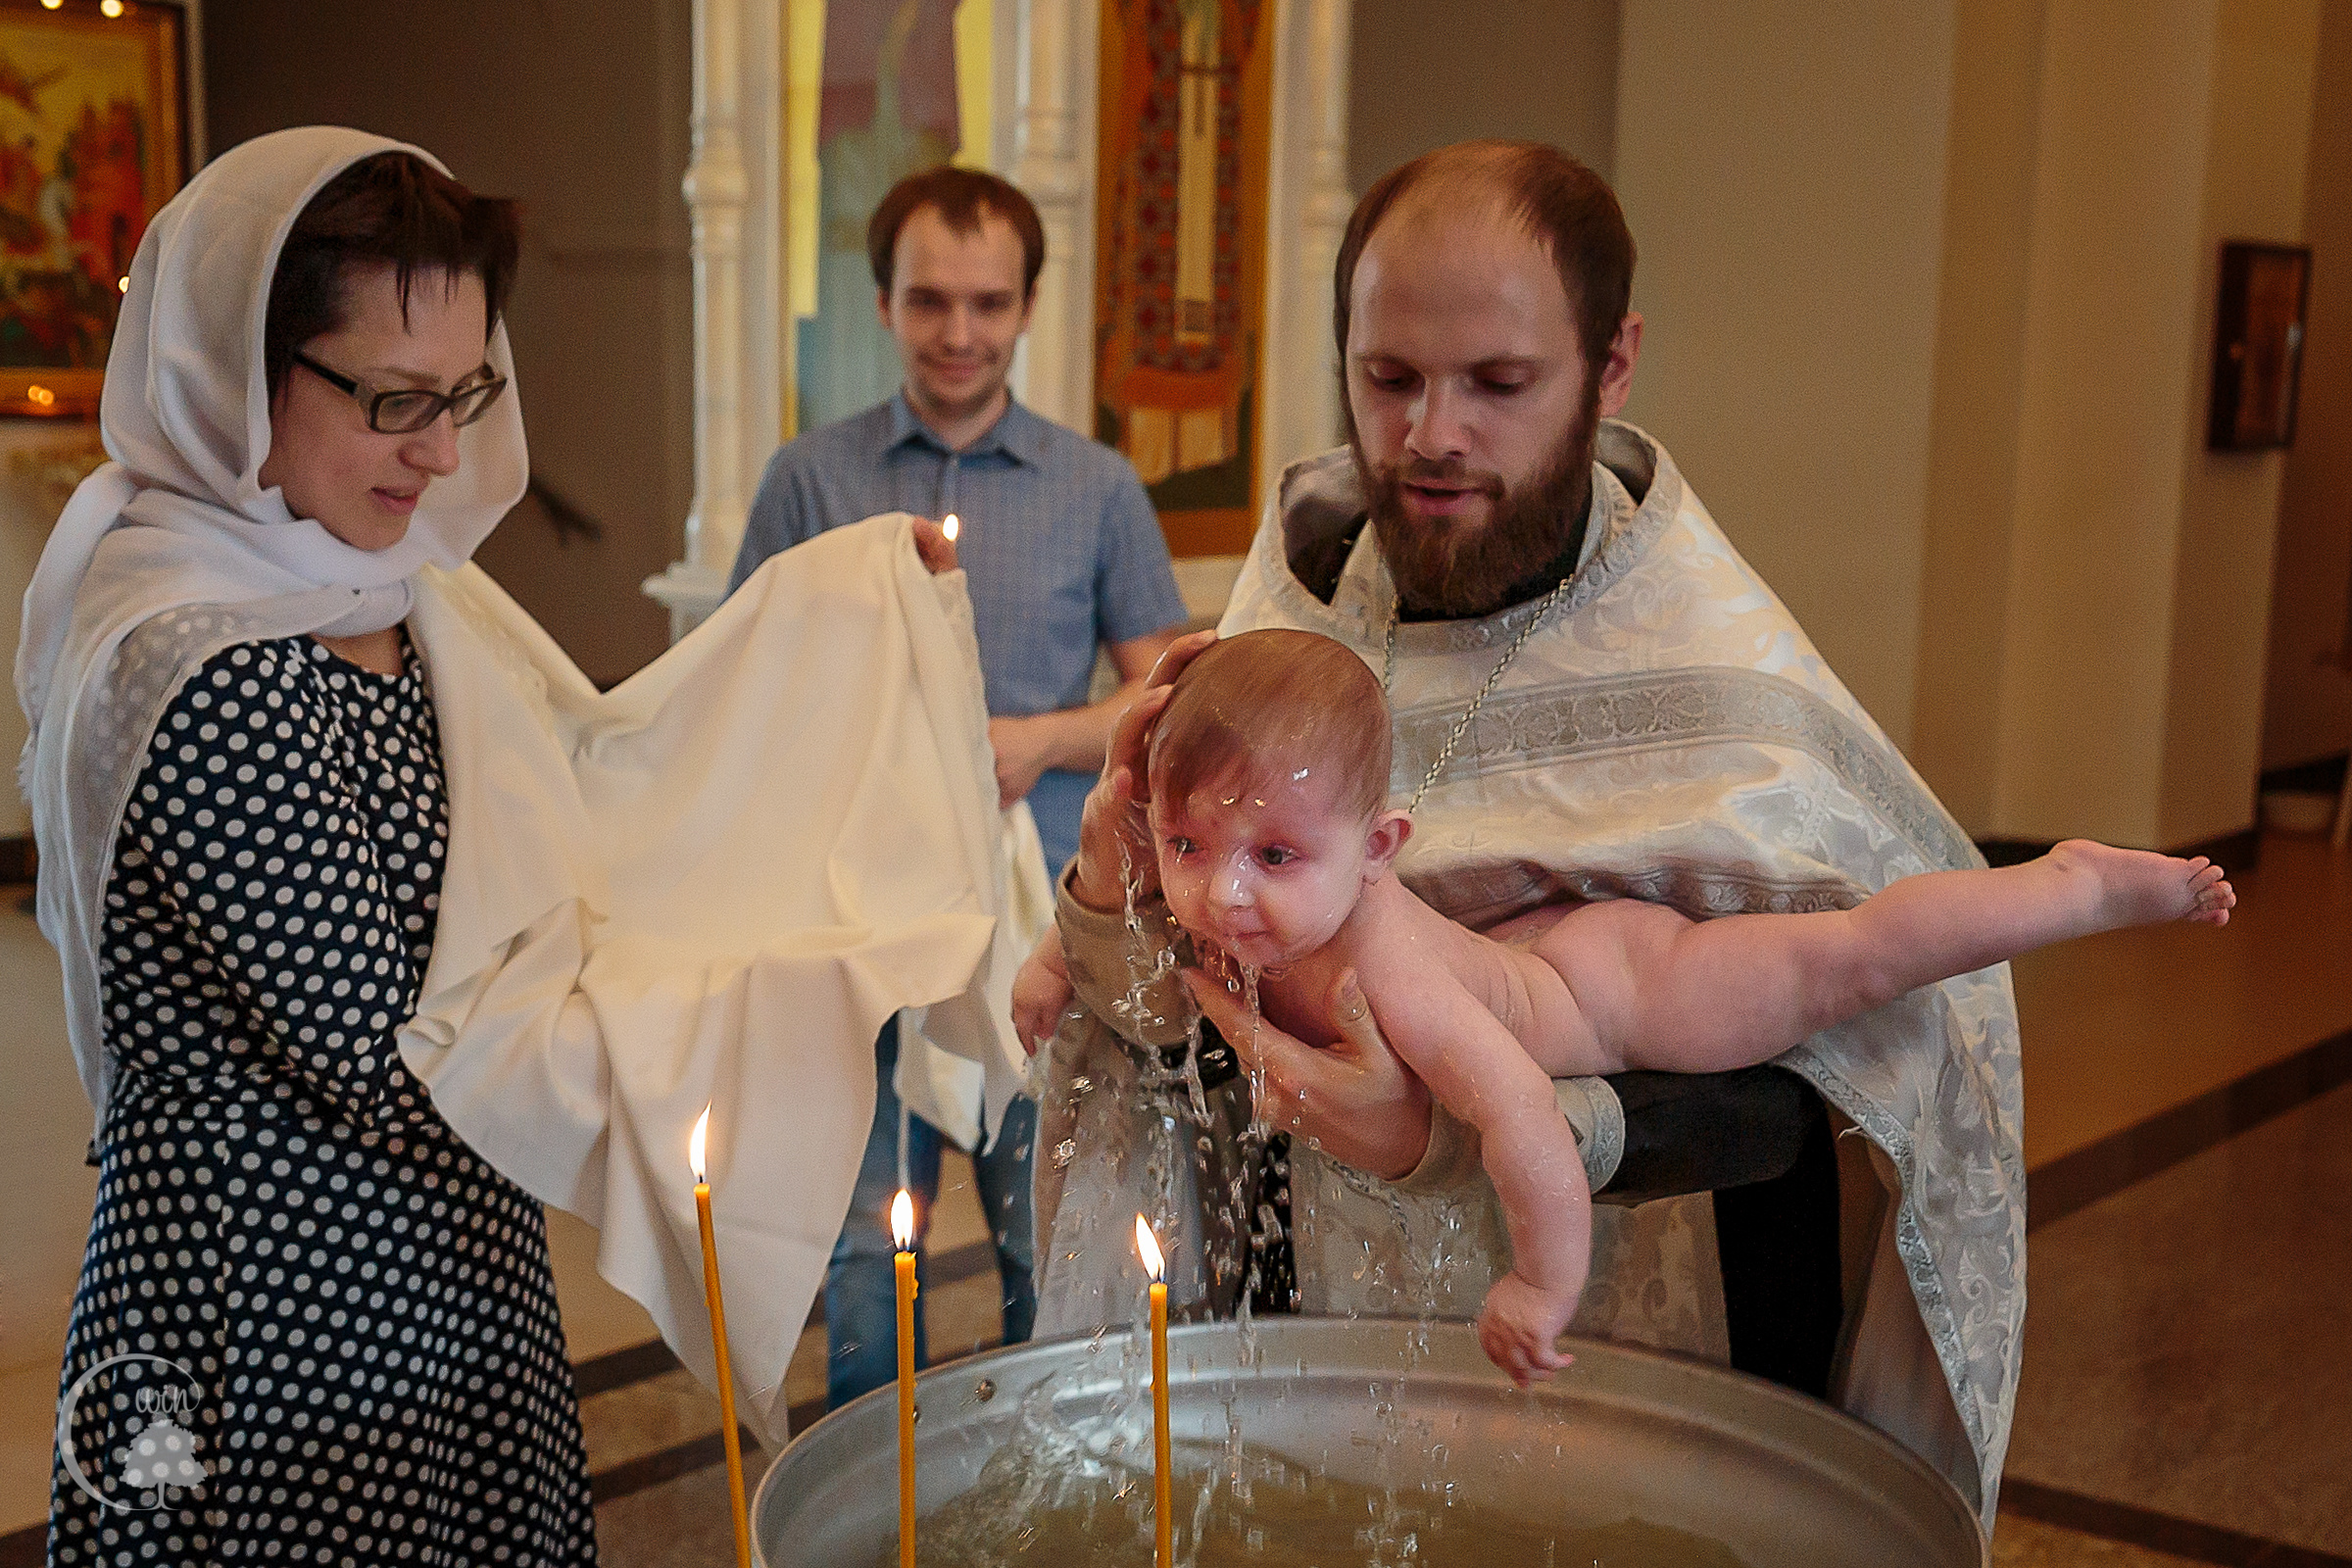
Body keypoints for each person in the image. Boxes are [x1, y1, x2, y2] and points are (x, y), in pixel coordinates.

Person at [23, 127, 1006, 1562]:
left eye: (468, 390)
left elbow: (600, 775)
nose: (440, 449)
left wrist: (855, 614)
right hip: (275, 1331)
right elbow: (414, 1044)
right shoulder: (193, 669)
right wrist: (785, 991)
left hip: (462, 1293)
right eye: (391, 399)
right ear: (238, 374)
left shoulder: (403, 590)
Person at [1017, 139, 2030, 1526]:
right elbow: (1160, 1010)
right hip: (1305, 1320)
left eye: (1498, 384)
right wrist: (1103, 874)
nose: (1432, 432)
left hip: (1631, 1349)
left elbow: (1854, 1054)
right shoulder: (1276, 624)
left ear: (1612, 368)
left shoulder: (1728, 688)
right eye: (1388, 380)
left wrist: (1479, 1117)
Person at [1103, 626, 2233, 1385]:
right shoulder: (1224, 891)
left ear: (1380, 851)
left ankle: (2070, 884)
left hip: (1611, 993)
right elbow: (1127, 897)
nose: (1219, 891)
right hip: (1526, 948)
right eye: (1188, 840)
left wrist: (1544, 1284)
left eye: (1276, 854)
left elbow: (1527, 1125)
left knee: (1847, 959)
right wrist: (1048, 970)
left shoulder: (1384, 977)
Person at [727, 165, 1189, 1408]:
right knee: (870, 1250)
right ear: (882, 301)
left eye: (989, 302)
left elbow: (1169, 711)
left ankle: (1045, 1495)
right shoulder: (809, 481)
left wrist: (1037, 739)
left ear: (1030, 304)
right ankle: (879, 1512)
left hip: (1042, 928)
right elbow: (741, 696)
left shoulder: (1096, 487)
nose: (959, 332)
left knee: (1049, 1239)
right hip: (852, 922)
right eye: (930, 299)